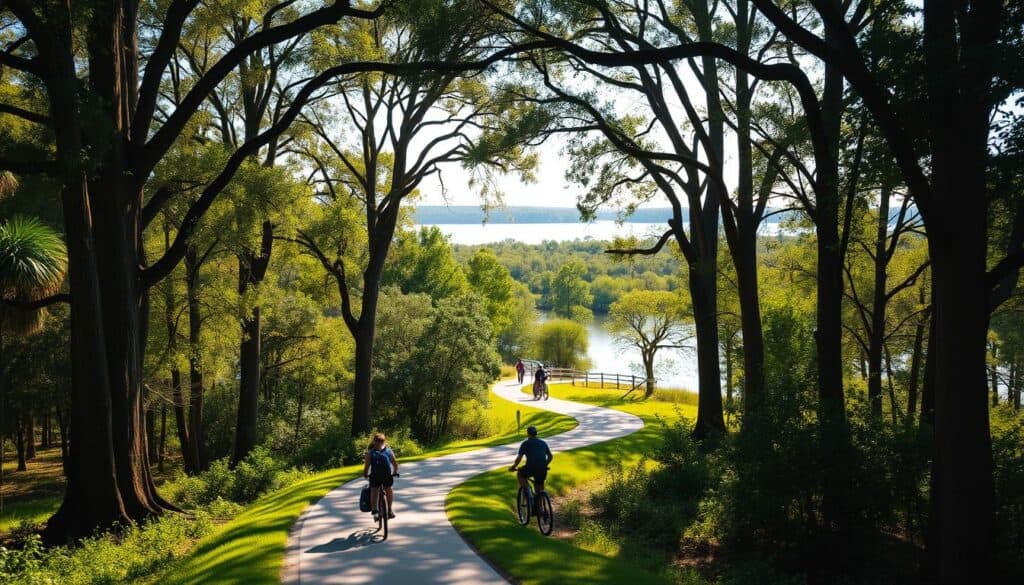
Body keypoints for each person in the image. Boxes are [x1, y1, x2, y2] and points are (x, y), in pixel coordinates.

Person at [509, 425, 553, 513]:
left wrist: (513, 467)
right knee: (540, 488)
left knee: (520, 474)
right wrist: (544, 464)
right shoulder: (543, 443)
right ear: (536, 433)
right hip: (542, 469)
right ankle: (540, 509)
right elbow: (550, 456)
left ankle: (527, 491)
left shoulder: (525, 443)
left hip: (530, 467)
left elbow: (519, 458)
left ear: (528, 434)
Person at [363, 432, 399, 520]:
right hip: (387, 475)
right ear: (384, 441)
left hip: (375, 476)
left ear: (374, 442)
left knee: (374, 490)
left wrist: (365, 475)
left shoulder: (370, 453)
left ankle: (375, 510)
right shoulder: (389, 451)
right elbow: (395, 464)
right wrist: (394, 472)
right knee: (388, 489)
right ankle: (389, 510)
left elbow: (367, 467)